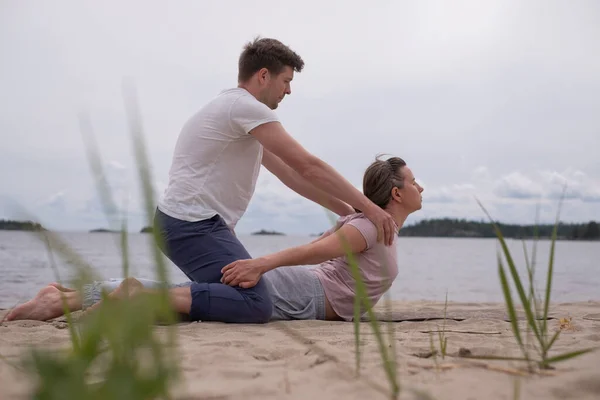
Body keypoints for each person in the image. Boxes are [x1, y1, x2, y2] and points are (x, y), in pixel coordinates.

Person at [151, 36, 398, 323]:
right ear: (264, 76)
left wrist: (347, 211)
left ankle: (124, 302)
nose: (289, 91)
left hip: (191, 225)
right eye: (286, 81)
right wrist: (369, 207)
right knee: (255, 303)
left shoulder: (236, 113)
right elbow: (308, 166)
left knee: (225, 296)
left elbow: (292, 176)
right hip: (190, 226)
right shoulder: (246, 108)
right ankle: (140, 295)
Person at [5, 156, 424, 323]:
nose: (420, 186)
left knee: (186, 296)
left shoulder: (372, 222)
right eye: (413, 181)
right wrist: (262, 264)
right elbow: (316, 252)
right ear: (397, 193)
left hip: (305, 294)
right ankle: (73, 299)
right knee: (187, 299)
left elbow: (308, 190)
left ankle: (68, 296)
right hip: (304, 296)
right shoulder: (370, 226)